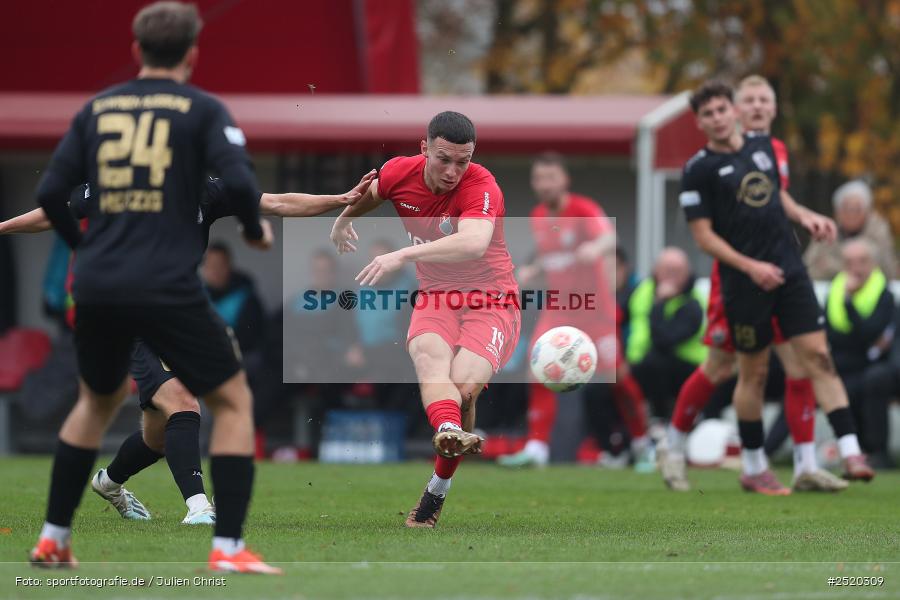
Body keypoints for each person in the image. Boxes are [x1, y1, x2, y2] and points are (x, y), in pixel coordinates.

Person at [27, 2, 279, 572]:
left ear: (136, 51)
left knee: (94, 405)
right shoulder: (201, 110)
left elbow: (52, 196)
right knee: (233, 401)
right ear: (193, 54)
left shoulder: (99, 109)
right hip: (165, 287)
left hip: (96, 286)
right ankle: (228, 549)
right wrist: (254, 229)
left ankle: (53, 538)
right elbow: (239, 180)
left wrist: (83, 245)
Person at [2, 176, 375, 523]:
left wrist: (338, 199)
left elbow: (277, 202)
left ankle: (108, 481)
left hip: (175, 318)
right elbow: (51, 215)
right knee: (183, 403)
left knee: (158, 437)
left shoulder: (206, 189)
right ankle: (199, 507)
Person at [658, 75, 870, 494]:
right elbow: (704, 234)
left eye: (761, 101)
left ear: (768, 109)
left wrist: (805, 216)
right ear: (702, 120)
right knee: (727, 366)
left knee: (804, 362)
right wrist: (751, 266)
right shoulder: (699, 169)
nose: (752, 107)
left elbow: (778, 198)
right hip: (737, 280)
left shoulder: (770, 149)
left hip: (785, 271)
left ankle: (811, 463)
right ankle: (676, 445)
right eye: (747, 99)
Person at [329, 111, 520, 528]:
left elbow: (473, 243)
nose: (452, 171)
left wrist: (402, 254)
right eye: (443, 159)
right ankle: (450, 428)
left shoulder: (482, 185)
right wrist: (344, 220)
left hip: (492, 300)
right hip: (437, 295)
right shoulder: (400, 171)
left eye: (462, 161)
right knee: (429, 357)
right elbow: (373, 192)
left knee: (465, 391)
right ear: (424, 149)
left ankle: (437, 489)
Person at [495, 152, 649, 469]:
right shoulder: (539, 216)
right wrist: (531, 271)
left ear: (564, 180)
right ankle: (536, 448)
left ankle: (643, 443)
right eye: (539, 178)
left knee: (617, 378)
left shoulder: (582, 209)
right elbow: (550, 256)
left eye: (551, 177)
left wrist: (596, 247)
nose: (544, 184)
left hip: (595, 311)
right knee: (536, 369)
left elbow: (608, 236)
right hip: (560, 311)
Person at [825, 239, 895, 463]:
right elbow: (829, 334)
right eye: (849, 262)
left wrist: (849, 303)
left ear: (873, 264)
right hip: (844, 363)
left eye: (862, 261)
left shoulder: (884, 295)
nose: (856, 268)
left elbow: (870, 334)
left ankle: (874, 452)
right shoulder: (834, 290)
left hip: (873, 366)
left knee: (868, 381)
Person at [627, 247, 707, 419]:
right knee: (604, 384)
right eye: (667, 270)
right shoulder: (643, 290)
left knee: (656, 361)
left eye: (677, 271)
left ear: (688, 274)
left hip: (687, 370)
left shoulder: (693, 302)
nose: (671, 276)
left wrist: (659, 303)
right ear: (656, 271)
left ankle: (662, 420)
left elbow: (663, 341)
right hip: (639, 362)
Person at [804, 180, 898, 280]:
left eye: (857, 209)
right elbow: (809, 268)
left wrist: (831, 266)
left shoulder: (879, 233)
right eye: (846, 208)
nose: (851, 214)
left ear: (867, 212)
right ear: (837, 212)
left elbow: (887, 271)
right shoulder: (824, 233)